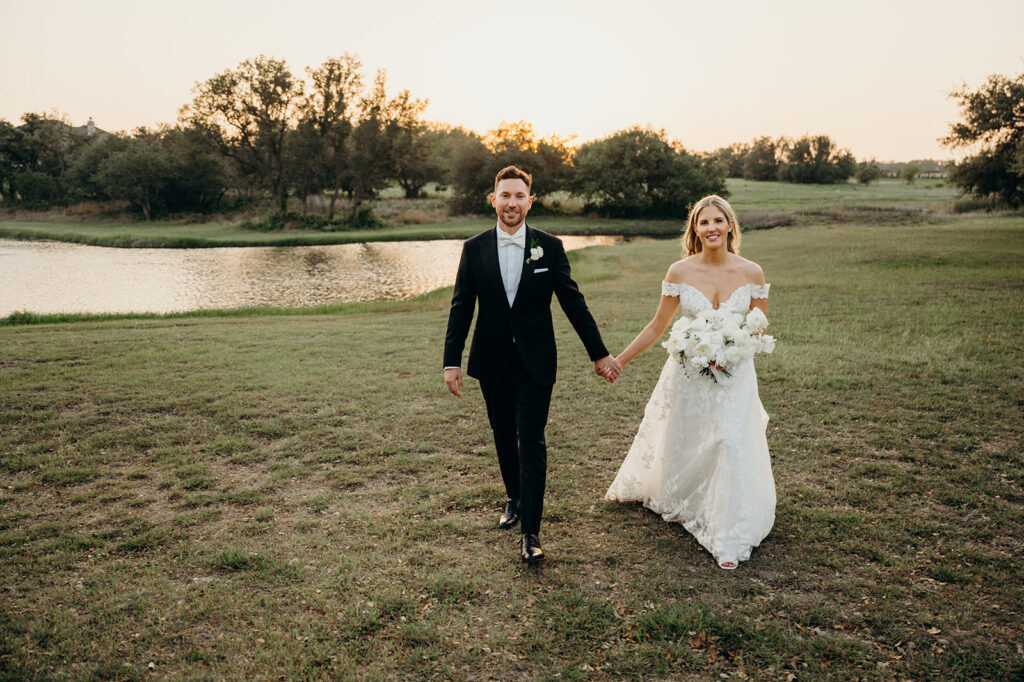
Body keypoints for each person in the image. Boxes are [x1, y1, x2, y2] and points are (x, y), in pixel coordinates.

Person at [443, 166, 621, 563]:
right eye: (504, 195)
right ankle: (514, 497)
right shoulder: (474, 248)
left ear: (530, 201)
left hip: (536, 361)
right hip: (491, 361)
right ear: (494, 200)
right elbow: (461, 308)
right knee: (504, 435)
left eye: (519, 196)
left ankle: (531, 533)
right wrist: (451, 361)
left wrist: (600, 354)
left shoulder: (550, 247)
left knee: (532, 439)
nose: (511, 203)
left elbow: (573, 303)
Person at [605, 195, 775, 570]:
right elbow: (656, 326)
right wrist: (619, 360)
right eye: (704, 222)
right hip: (689, 375)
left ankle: (727, 536)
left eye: (718, 221)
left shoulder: (752, 273)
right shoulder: (680, 271)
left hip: (734, 377)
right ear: (694, 230)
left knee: (729, 441)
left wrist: (732, 348)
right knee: (694, 441)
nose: (711, 228)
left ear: (731, 225)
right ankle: (693, 500)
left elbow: (759, 330)